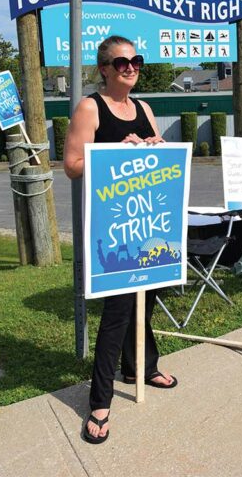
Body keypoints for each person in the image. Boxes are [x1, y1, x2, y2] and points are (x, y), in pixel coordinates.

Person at [63, 35, 178, 445]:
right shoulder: (89, 107)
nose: (130, 67)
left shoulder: (144, 108)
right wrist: (116, 149)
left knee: (145, 302)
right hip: (113, 228)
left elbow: (159, 156)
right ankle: (99, 402)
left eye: (136, 60)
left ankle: (141, 367)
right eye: (121, 62)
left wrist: (155, 145)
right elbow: (72, 165)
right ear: (105, 70)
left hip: (148, 221)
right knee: (117, 313)